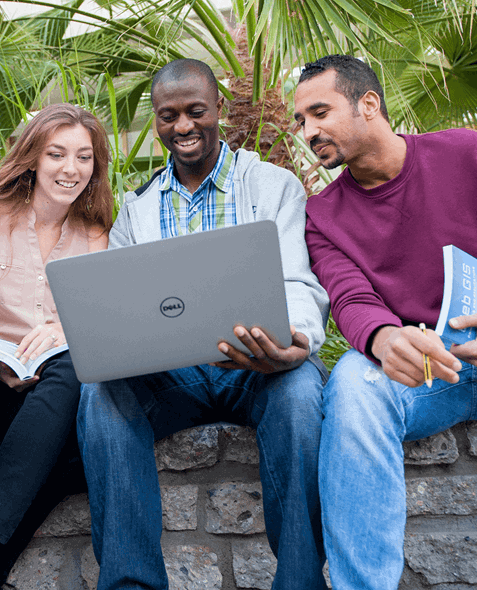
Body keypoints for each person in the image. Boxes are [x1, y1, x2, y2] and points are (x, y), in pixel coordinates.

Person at [77, 58, 330, 590]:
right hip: (177, 374)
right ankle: (131, 584)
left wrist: (296, 342)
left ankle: (301, 582)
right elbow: (122, 304)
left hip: (255, 366)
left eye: (196, 111)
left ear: (219, 108)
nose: (183, 126)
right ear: (156, 120)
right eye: (168, 116)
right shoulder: (136, 207)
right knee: (101, 394)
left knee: (303, 392)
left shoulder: (274, 186)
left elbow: (299, 283)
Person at [294, 53, 477, 590]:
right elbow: (349, 296)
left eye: (320, 112)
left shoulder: (465, 153)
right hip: (425, 374)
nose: (310, 131)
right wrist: (382, 336)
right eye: (301, 121)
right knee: (354, 380)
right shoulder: (322, 216)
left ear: (368, 103)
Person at [0, 104, 113, 590]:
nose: (70, 168)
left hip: (53, 385)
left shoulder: (94, 232)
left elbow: (90, 324)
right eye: (56, 154)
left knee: (73, 363)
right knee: (71, 459)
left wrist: (65, 333)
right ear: (33, 157)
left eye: (84, 157)